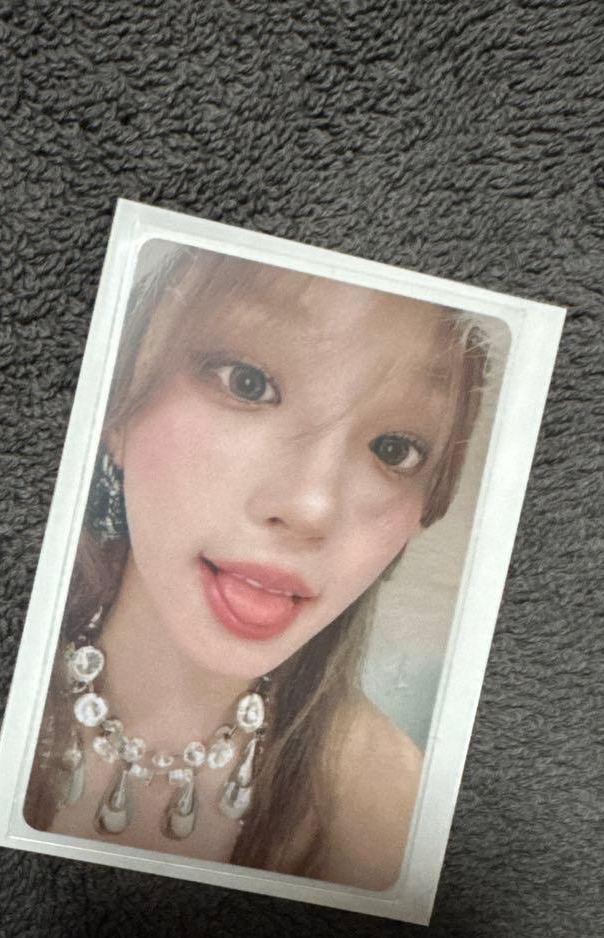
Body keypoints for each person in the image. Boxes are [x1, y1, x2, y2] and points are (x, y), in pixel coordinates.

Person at [24, 242, 491, 891]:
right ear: (121, 395)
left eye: (394, 449)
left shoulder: (399, 817)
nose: (310, 507)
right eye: (248, 382)